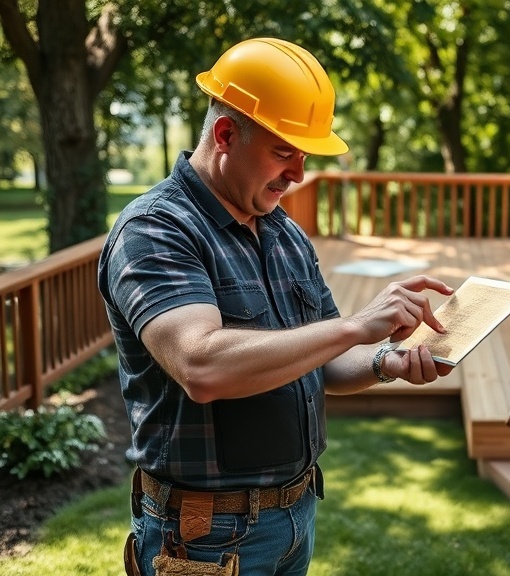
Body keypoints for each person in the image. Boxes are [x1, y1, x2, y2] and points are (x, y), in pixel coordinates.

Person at [99, 37, 455, 576]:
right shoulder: (154, 230)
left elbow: (326, 359)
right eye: (283, 152)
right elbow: (203, 366)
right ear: (225, 135)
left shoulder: (283, 232)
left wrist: (386, 361)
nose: (298, 174)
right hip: (204, 537)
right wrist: (356, 325)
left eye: (304, 156)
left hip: (295, 515)